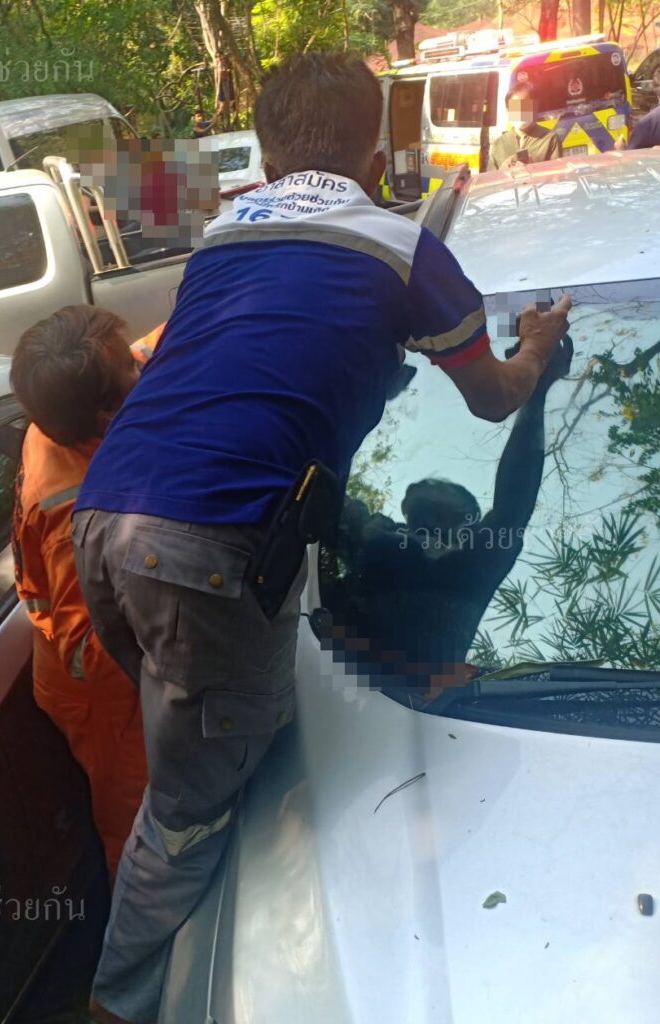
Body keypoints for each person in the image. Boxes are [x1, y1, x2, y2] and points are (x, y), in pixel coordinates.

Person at [73, 53, 572, 1024]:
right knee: (189, 815)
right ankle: (115, 1002)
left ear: (265, 164)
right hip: (203, 549)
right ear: (377, 161)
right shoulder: (405, 252)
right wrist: (537, 356)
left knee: (199, 757)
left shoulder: (224, 235)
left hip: (102, 518)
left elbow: (253, 373)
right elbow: (490, 404)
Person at [320, 336, 574, 691]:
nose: (426, 488)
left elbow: (513, 504)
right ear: (407, 513)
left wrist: (535, 393)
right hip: (315, 667)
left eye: (441, 490)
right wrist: (366, 391)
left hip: (418, 701)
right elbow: (324, 492)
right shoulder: (377, 531)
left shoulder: (478, 557)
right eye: (420, 493)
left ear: (467, 516)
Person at [10, 306, 148, 882]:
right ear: (106, 414)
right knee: (136, 822)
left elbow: (145, 349)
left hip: (96, 678)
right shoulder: (75, 512)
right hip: (102, 696)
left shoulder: (58, 407)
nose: (142, 365)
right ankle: (139, 921)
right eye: (132, 369)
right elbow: (90, 649)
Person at [490, 80, 562, 170]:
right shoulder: (499, 145)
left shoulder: (550, 139)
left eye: (525, 106)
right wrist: (503, 170)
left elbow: (557, 175)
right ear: (508, 111)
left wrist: (534, 168)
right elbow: (491, 177)